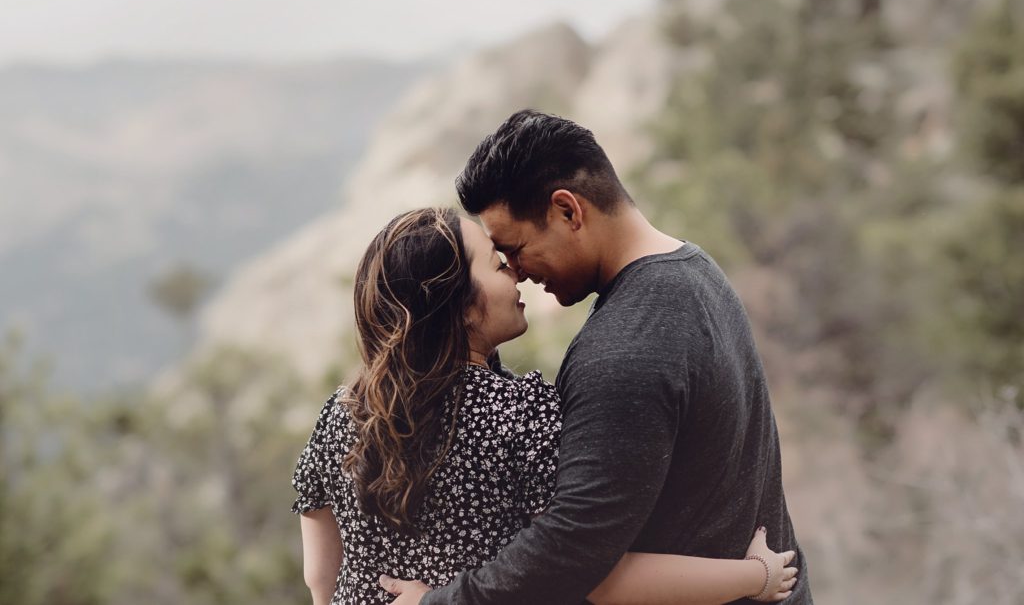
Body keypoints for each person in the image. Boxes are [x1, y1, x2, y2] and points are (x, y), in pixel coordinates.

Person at [381, 111, 812, 605]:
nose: (516, 273)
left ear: (569, 211)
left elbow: (575, 548)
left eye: (516, 249)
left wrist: (434, 603)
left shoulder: (624, 347)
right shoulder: (693, 271)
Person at [292, 207, 798, 605]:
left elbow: (320, 577)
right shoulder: (520, 413)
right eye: (496, 265)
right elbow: (599, 576)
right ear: (461, 307)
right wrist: (756, 576)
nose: (516, 274)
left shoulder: (344, 412)